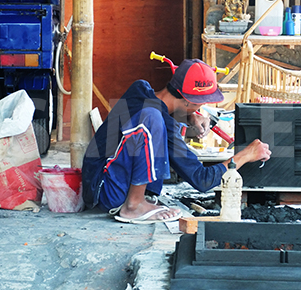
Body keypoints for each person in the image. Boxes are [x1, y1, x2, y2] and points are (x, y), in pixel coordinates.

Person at [81, 58, 271, 224]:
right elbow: (202, 180)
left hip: (95, 181)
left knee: (152, 116)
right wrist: (246, 155)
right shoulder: (154, 118)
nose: (201, 108)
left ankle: (138, 199)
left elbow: (162, 109)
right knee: (151, 118)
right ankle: (134, 205)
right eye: (201, 104)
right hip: (105, 191)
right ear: (189, 101)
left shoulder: (140, 89)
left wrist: (189, 115)